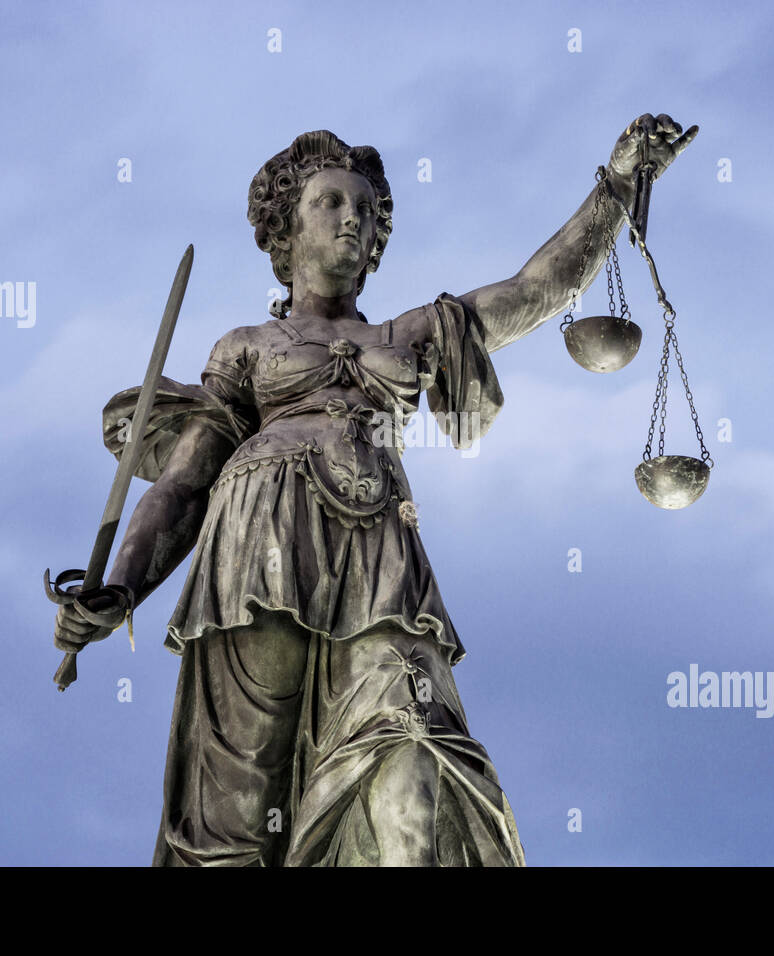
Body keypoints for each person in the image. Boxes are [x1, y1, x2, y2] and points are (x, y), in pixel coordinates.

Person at [53, 116, 697, 866]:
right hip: (257, 553)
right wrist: (123, 587)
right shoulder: (246, 349)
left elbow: (538, 288)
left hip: (380, 564)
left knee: (413, 745)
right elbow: (184, 484)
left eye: (364, 207)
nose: (352, 218)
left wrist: (618, 184)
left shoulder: (408, 335)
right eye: (330, 203)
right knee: (241, 805)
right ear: (285, 233)